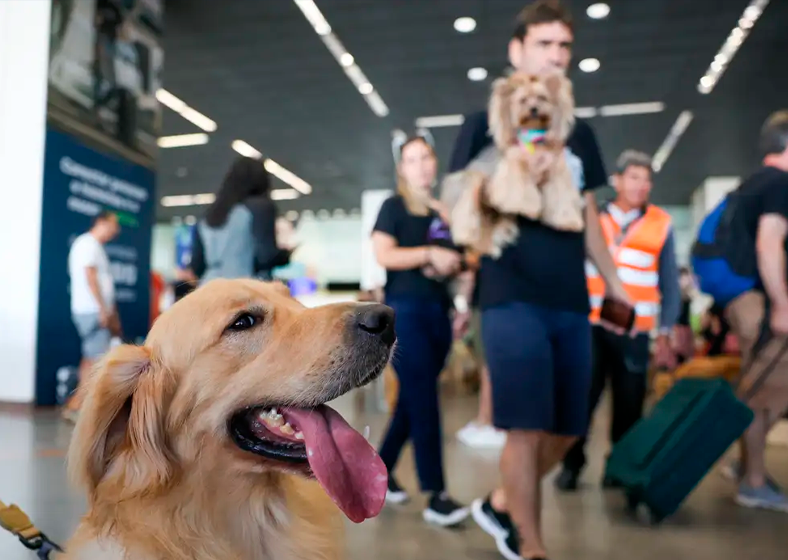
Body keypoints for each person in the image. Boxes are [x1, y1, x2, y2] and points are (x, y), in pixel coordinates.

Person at [448, 2, 634, 558]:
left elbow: (591, 217)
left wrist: (616, 284)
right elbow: (455, 204)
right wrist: (507, 174)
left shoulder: (581, 133)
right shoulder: (484, 123)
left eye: (563, 47)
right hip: (509, 295)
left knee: (571, 426)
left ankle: (502, 502)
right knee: (525, 427)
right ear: (517, 50)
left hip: (570, 298)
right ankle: (532, 547)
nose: (556, 56)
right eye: (544, 44)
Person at [556, 150, 681, 491]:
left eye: (647, 179)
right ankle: (572, 464)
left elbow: (669, 281)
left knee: (630, 404)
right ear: (618, 180)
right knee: (582, 400)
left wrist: (666, 329)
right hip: (591, 325)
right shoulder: (593, 215)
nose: (642, 185)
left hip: (635, 330)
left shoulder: (661, 223)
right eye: (634, 177)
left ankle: (618, 466)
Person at [372, 135, 470, 527]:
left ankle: (379, 471)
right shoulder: (393, 207)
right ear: (402, 168)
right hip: (407, 311)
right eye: (412, 159)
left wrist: (457, 285)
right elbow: (384, 255)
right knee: (425, 401)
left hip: (439, 312)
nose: (421, 165)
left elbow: (462, 259)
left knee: (413, 403)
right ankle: (436, 494)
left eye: (426, 157)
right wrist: (428, 254)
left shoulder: (444, 211)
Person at [722, 110, 788, 512]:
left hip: (741, 299)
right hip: (759, 301)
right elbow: (769, 244)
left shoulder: (752, 183)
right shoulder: (781, 183)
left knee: (758, 387)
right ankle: (754, 481)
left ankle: (748, 467)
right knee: (766, 394)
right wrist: (782, 303)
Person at [190, 156, 292, 283]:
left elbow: (197, 265)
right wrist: (285, 255)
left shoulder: (208, 216)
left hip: (209, 287)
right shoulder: (260, 207)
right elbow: (265, 257)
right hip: (245, 288)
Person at [64, 210, 121, 422]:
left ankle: (76, 405)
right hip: (91, 311)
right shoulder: (87, 244)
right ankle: (78, 406)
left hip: (95, 310)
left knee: (89, 360)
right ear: (101, 222)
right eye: (113, 226)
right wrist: (102, 309)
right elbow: (90, 277)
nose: (115, 232)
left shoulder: (95, 247)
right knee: (96, 360)